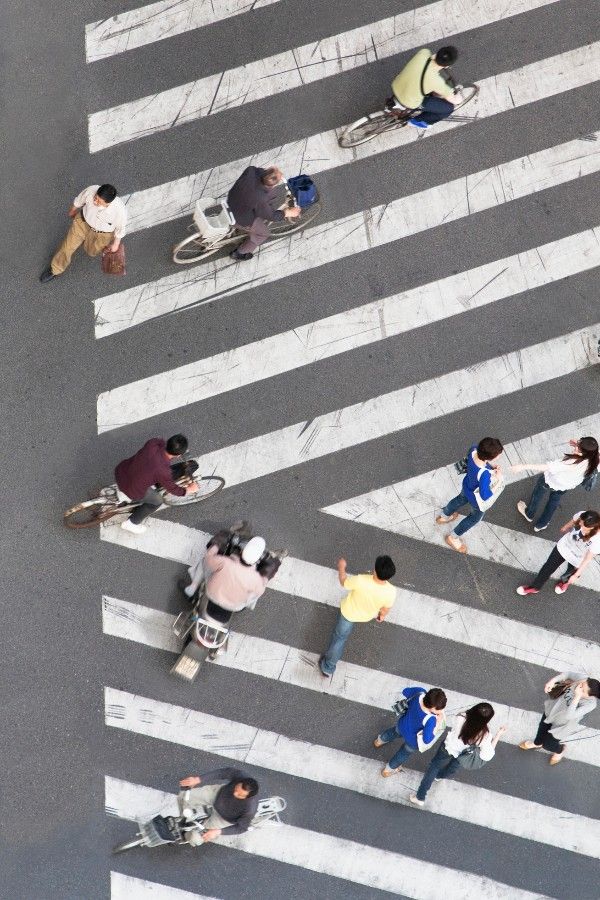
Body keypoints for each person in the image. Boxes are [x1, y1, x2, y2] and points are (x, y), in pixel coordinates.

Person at [409, 703, 506, 806]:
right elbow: (488, 754)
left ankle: (420, 796)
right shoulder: (484, 735)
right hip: (464, 755)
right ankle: (440, 776)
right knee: (453, 767)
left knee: (434, 766)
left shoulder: (461, 717)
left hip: (448, 747)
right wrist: (498, 735)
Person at [318, 556, 396, 677]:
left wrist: (341, 567)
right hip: (366, 615)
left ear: (375, 570)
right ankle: (328, 666)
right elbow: (385, 609)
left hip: (348, 613)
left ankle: (328, 666)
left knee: (339, 639)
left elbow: (344, 581)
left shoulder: (361, 580)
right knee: (340, 638)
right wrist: (381, 616)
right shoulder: (391, 592)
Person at [40, 184, 127, 282]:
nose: (95, 201)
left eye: (99, 201)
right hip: (82, 223)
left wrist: (116, 244)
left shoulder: (119, 210)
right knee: (67, 247)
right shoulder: (91, 190)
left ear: (108, 203)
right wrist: (72, 210)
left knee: (91, 251)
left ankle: (84, 242)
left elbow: (120, 228)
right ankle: (55, 269)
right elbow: (79, 200)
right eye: (95, 198)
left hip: (102, 235)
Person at [511, 437, 599, 531]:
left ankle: (529, 513)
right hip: (566, 485)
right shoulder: (594, 459)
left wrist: (523, 467)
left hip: (550, 480)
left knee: (537, 495)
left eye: (578, 446)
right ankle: (541, 524)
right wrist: (578, 448)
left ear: (582, 453)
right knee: (553, 502)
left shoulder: (571, 462)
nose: (576, 446)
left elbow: (548, 467)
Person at [115, 434, 198, 534]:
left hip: (121, 471)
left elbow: (161, 442)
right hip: (132, 489)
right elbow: (173, 489)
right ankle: (131, 523)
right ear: (178, 455)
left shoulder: (153, 443)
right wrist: (188, 489)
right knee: (157, 501)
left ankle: (122, 493)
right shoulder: (163, 471)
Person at [436, 437, 504, 553]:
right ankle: (453, 537)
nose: (499, 456)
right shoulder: (485, 475)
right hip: (475, 500)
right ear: (489, 457)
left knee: (459, 500)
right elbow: (485, 495)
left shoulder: (473, 449)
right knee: (474, 518)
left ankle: (443, 516)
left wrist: (490, 467)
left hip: (466, 486)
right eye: (497, 455)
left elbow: (478, 464)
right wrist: (497, 480)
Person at [519, 673, 600, 765]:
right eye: (582, 683)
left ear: (590, 696)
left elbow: (569, 715)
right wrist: (552, 681)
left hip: (563, 724)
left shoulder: (590, 704)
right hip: (552, 711)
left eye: (583, 689)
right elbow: (568, 674)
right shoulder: (583, 679)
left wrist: (577, 696)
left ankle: (560, 750)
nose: (579, 686)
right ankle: (537, 743)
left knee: (549, 745)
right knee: (541, 731)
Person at [516, 509, 600, 596]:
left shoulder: (598, 539)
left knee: (570, 573)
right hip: (564, 547)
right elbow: (574, 520)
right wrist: (566, 527)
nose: (580, 524)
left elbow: (587, 559)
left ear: (592, 527)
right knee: (547, 567)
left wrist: (576, 575)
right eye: (581, 522)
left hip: (578, 557)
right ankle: (535, 587)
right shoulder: (582, 514)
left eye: (583, 525)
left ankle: (564, 583)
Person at [227, 165, 300, 261]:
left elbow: (259, 172)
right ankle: (239, 253)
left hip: (232, 202)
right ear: (272, 184)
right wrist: (286, 213)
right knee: (263, 233)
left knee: (266, 200)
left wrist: (272, 173)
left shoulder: (251, 171)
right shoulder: (260, 198)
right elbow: (271, 216)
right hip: (240, 217)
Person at [183, 532, 269, 611]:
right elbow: (260, 591)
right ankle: (248, 605)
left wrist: (216, 545)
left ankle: (193, 587)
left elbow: (208, 559)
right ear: (257, 559)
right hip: (235, 607)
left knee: (205, 562)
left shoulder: (224, 562)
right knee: (255, 592)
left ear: (242, 550)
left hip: (212, 594)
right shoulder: (257, 579)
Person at [374, 686, 447, 777]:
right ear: (432, 707)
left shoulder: (419, 693)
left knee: (392, 733)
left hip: (402, 725)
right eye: (438, 709)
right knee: (403, 754)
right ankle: (388, 770)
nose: (440, 711)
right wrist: (438, 723)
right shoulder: (431, 719)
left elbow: (405, 691)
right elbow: (427, 739)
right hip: (413, 741)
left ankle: (379, 741)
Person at [178, 768, 259, 845]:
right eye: (236, 789)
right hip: (218, 795)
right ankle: (182, 820)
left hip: (224, 818)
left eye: (240, 795)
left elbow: (241, 828)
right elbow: (223, 772)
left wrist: (218, 832)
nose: (234, 794)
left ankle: (185, 835)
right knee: (183, 796)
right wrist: (197, 780)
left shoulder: (250, 809)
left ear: (248, 797)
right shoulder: (241, 776)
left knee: (195, 838)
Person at [390, 46, 461, 130]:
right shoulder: (437, 82)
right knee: (448, 109)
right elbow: (454, 100)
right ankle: (417, 121)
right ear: (447, 66)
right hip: (409, 101)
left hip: (397, 84)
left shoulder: (424, 52)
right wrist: (459, 98)